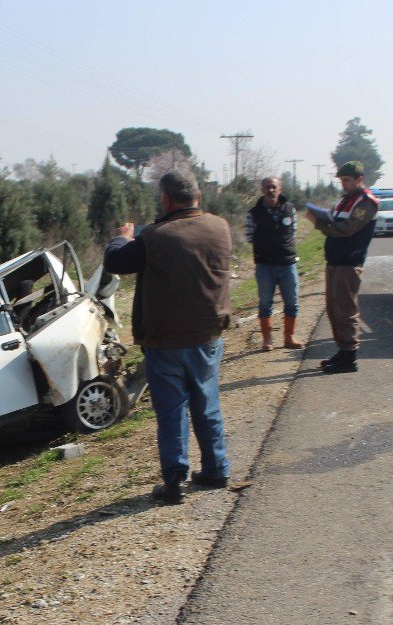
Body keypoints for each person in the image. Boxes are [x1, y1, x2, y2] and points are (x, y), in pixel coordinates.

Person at [104, 170, 232, 505]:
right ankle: (217, 469)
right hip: (207, 334)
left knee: (172, 412)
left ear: (166, 199)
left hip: (166, 341)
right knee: (207, 404)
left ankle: (174, 481)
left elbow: (115, 262)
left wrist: (122, 237)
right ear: (197, 195)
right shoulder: (220, 226)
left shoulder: (155, 236)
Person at [304, 161, 378, 374]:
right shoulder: (346, 200)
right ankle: (343, 351)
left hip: (349, 262)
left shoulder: (366, 202)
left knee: (346, 311)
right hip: (335, 261)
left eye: (347, 180)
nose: (343, 184)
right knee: (334, 309)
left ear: (360, 179)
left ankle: (350, 357)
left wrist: (319, 223)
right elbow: (335, 222)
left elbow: (347, 229)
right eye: (341, 180)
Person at [245, 177, 303, 351]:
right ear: (262, 189)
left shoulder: (290, 209)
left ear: (280, 189)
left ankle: (289, 337)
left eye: (273, 187)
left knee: (292, 302)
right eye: (267, 187)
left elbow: (293, 232)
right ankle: (267, 339)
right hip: (265, 265)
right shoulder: (253, 213)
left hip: (287, 263)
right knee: (265, 303)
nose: (270, 190)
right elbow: (249, 236)